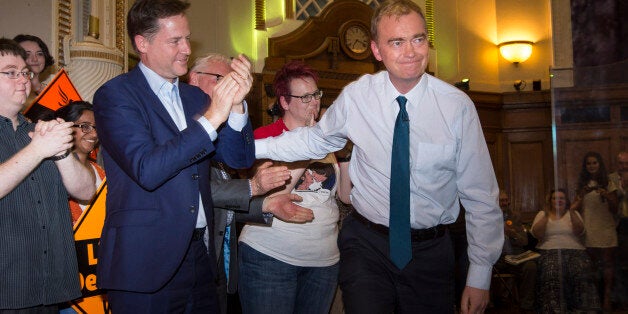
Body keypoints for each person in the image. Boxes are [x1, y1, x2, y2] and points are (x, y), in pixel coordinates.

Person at [254, 1, 503, 312]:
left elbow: (481, 195)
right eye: (396, 42)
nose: (410, 52)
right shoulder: (358, 97)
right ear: (376, 50)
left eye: (418, 38)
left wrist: (480, 274)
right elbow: (313, 141)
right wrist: (250, 148)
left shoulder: (457, 107)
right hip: (367, 246)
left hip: (431, 251)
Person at [93, 0, 313, 312]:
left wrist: (236, 107)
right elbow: (147, 169)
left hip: (200, 253)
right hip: (145, 260)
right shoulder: (116, 95)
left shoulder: (192, 96)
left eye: (187, 38)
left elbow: (238, 159)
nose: (186, 49)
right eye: (174, 41)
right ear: (142, 43)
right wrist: (211, 118)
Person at [189, 52, 309, 314]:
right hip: (185, 259)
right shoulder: (182, 124)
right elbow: (194, 189)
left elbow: (229, 196)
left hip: (219, 260)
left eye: (233, 80)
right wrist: (254, 187)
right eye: (221, 78)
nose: (228, 86)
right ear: (194, 79)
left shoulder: (225, 130)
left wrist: (266, 204)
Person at [238, 60, 350, 314]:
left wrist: (344, 156)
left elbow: (344, 197)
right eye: (305, 97)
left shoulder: (325, 139)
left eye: (316, 94)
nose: (314, 102)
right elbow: (273, 197)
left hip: (323, 260)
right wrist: (309, 147)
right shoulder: (265, 137)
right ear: (284, 102)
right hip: (271, 256)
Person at [0, 38, 95, 312]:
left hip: (51, 285)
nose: (23, 79)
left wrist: (61, 153)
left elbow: (86, 191)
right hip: (7, 286)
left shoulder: (39, 130)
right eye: (11, 72)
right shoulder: (39, 141)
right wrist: (39, 149)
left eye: (25, 73)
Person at [530, 189, 600, 313]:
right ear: (550, 201)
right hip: (549, 250)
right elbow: (537, 234)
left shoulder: (573, 213)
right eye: (555, 198)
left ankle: (583, 310)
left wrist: (572, 211)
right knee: (552, 272)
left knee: (581, 271)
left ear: (566, 201)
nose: (558, 200)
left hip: (575, 250)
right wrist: (547, 215)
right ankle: (554, 310)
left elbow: (579, 232)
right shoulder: (542, 214)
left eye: (562, 198)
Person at [572, 151, 618, 310]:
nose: (592, 166)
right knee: (590, 266)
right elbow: (574, 208)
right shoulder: (581, 184)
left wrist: (607, 195)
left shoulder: (609, 182)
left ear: (600, 164)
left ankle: (606, 298)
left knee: (607, 264)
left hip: (606, 228)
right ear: (585, 167)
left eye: (594, 163)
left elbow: (615, 208)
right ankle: (593, 298)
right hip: (589, 228)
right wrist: (581, 195)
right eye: (589, 163)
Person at [54, 100, 105, 225]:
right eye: (85, 126)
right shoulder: (52, 171)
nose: (94, 134)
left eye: (96, 128)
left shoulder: (102, 173)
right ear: (66, 127)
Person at [493, 190, 536, 311]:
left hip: (515, 255)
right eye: (501, 200)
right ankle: (489, 304)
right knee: (482, 266)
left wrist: (513, 234)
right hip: (497, 256)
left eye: (506, 200)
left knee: (531, 266)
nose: (504, 203)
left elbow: (524, 241)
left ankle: (526, 305)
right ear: (495, 202)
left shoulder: (515, 216)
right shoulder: (488, 217)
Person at [608, 151, 628, 309]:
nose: (624, 166)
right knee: (618, 263)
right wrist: (622, 186)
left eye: (627, 163)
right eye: (621, 163)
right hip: (618, 224)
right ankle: (620, 299)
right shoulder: (611, 178)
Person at [12, 34, 55, 102]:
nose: (35, 59)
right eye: (27, 54)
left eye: (39, 54)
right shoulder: (9, 93)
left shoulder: (54, 92)